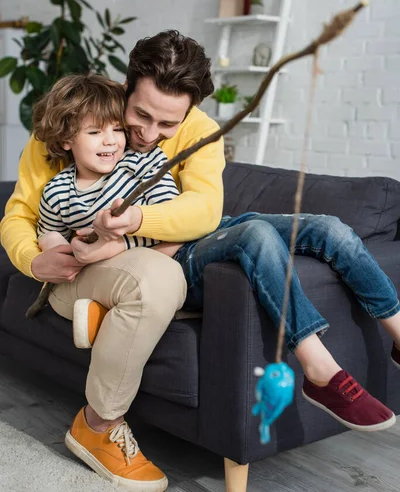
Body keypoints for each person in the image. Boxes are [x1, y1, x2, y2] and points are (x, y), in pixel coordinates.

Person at [0, 30, 399, 491]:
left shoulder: (189, 134)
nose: (147, 135)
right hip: (126, 259)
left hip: (188, 237)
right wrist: (35, 258)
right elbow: (24, 212)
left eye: (167, 125)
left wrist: (131, 226)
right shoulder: (79, 122)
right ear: (125, 88)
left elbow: (204, 211)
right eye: (140, 116)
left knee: (329, 229)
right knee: (243, 241)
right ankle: (319, 369)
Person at [33, 73, 182, 348]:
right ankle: (106, 313)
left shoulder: (141, 162)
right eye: (95, 132)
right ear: (66, 139)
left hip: (149, 257)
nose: (110, 141)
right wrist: (59, 249)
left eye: (117, 129)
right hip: (93, 271)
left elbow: (171, 219)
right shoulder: (57, 191)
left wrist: (118, 244)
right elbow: (49, 229)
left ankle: (111, 314)